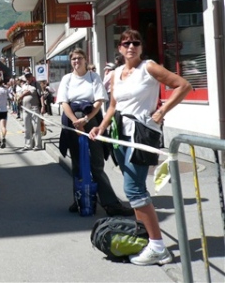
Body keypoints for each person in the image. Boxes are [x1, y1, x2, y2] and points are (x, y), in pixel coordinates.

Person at [90, 30, 191, 265]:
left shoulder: (149, 67)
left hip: (142, 134)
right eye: (126, 43)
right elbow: (113, 105)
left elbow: (183, 85)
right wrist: (101, 127)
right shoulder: (116, 73)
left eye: (136, 42)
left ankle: (158, 247)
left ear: (141, 47)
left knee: (134, 189)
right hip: (120, 135)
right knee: (134, 189)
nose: (131, 46)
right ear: (120, 48)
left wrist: (162, 111)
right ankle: (144, 238)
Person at [56, 48, 133, 217]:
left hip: (91, 121)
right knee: (77, 163)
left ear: (85, 59)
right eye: (74, 59)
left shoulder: (93, 77)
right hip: (72, 122)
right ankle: (80, 199)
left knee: (96, 163)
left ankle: (111, 203)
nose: (76, 61)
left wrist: (85, 119)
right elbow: (64, 102)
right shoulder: (67, 79)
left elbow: (99, 101)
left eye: (79, 58)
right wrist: (75, 122)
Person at [20, 72, 45, 150]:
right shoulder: (24, 86)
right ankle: (28, 145)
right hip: (25, 109)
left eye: (29, 76)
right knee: (27, 128)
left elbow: (41, 95)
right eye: (26, 77)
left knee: (36, 127)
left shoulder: (36, 84)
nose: (28, 78)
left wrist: (43, 106)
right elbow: (20, 96)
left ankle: (38, 145)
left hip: (34, 108)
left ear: (31, 77)